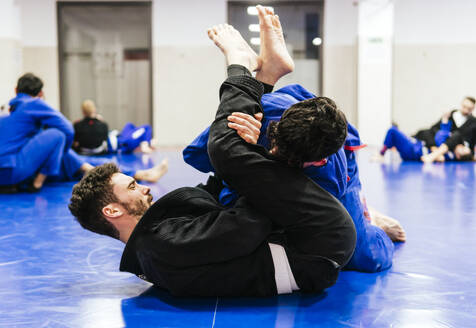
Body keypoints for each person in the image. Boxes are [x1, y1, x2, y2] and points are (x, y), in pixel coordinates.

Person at [69, 7, 356, 297]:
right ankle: (245, 70)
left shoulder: (159, 233)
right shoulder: (158, 248)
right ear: (112, 210)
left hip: (309, 235)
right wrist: (267, 156)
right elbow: (247, 226)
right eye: (131, 186)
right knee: (224, 149)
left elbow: (216, 190)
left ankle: (264, 79)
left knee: (227, 150)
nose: (143, 188)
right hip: (317, 242)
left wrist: (254, 153)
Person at [184, 84, 405, 273]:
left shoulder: (329, 179)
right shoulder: (264, 110)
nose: (272, 152)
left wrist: (252, 154)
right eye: (273, 143)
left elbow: (284, 208)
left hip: (342, 167)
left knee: (360, 255)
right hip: (302, 125)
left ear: (316, 163)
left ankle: (369, 220)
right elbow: (194, 155)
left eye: (284, 159)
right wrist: (235, 141)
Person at [0, 73, 168, 193]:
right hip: (13, 172)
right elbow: (66, 130)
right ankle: (138, 174)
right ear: (40, 94)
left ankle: (138, 174)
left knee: (79, 162)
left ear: (15, 91)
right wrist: (60, 153)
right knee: (62, 142)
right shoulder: (34, 104)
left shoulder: (2, 115)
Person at [73, 99, 154, 155]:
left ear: (83, 112)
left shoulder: (77, 125)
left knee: (129, 125)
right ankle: (145, 144)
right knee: (147, 127)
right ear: (94, 110)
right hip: (123, 142)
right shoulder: (102, 124)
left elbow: (76, 142)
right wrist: (99, 120)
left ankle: (145, 143)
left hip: (117, 137)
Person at [378, 122, 473, 163]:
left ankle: (381, 154)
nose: (461, 146)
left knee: (392, 130)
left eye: (463, 149)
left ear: (459, 156)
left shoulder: (448, 156)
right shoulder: (448, 150)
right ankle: (386, 149)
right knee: (394, 133)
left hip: (413, 150)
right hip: (416, 145)